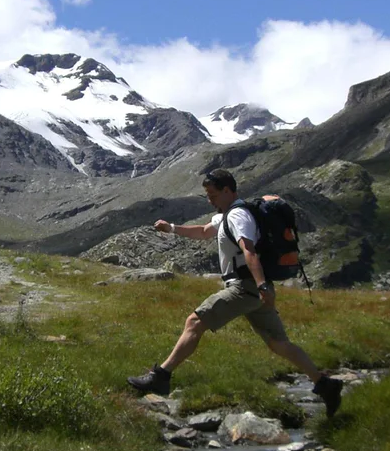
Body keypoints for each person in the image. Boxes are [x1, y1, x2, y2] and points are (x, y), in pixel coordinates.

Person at [127, 168, 344, 417]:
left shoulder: (238, 216)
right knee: (278, 343)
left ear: (228, 190)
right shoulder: (226, 215)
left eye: (213, 194)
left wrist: (262, 285)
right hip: (255, 289)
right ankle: (324, 384)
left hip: (245, 287)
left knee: (194, 322)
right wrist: (173, 228)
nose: (209, 199)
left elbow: (248, 250)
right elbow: (205, 231)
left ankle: (161, 376)